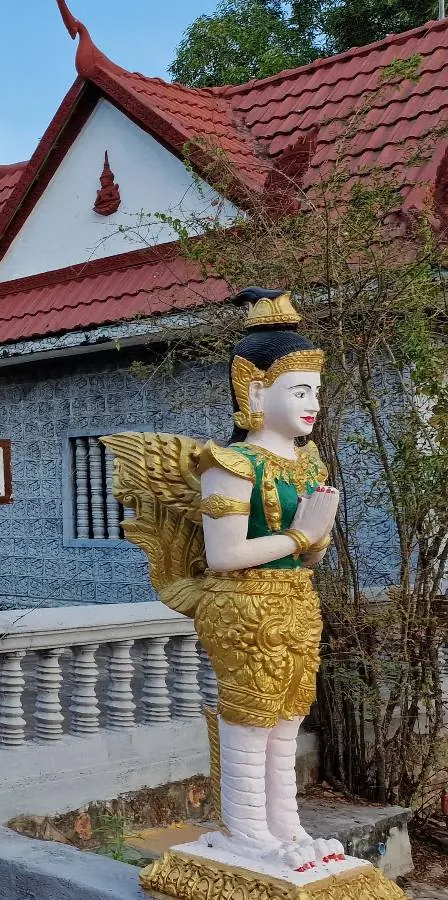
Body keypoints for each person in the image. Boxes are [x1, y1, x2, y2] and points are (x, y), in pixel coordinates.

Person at [104, 289, 345, 874]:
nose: (313, 402)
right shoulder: (231, 464)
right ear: (257, 391)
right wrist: (299, 536)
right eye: (300, 389)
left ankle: (284, 821)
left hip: (296, 599)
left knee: (289, 712)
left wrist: (313, 539)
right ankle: (246, 828)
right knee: (251, 714)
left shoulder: (308, 463)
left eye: (316, 389)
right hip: (240, 605)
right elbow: (225, 554)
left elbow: (307, 559)